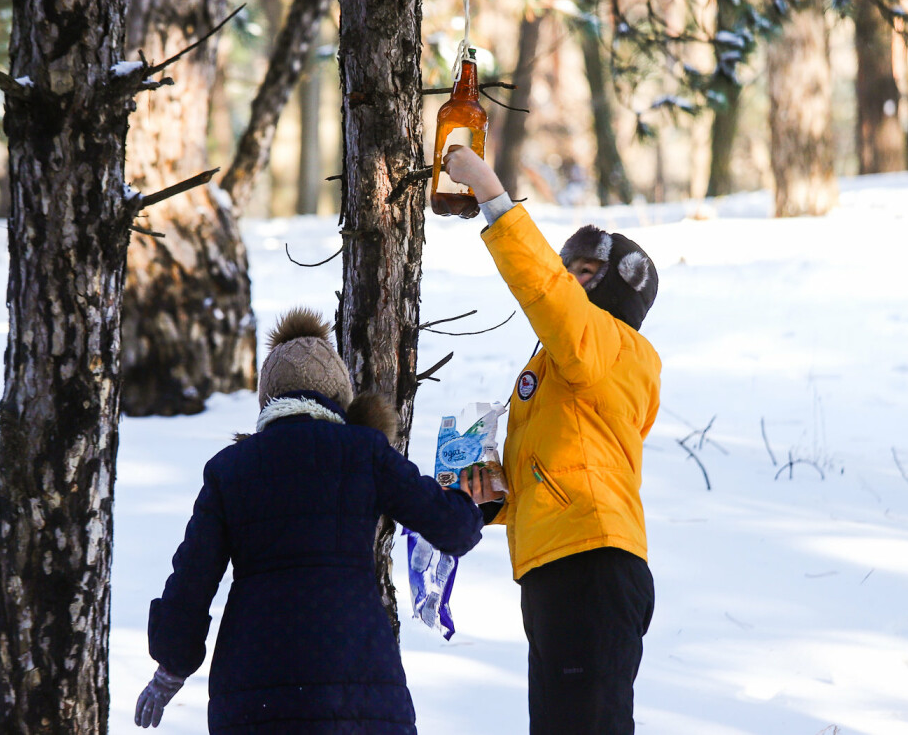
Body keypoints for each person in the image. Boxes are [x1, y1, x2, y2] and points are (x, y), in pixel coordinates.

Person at [134, 308, 483, 734]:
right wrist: (471, 498)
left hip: (253, 689)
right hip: (357, 683)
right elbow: (454, 530)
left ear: (268, 398)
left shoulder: (230, 469)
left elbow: (192, 579)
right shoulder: (365, 452)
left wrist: (172, 666)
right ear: (339, 395)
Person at [443, 146, 661, 735]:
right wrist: (489, 495)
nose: (567, 277)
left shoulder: (612, 345)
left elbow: (547, 293)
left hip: (590, 561)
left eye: (585, 271)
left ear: (620, 286)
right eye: (567, 266)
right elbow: (557, 468)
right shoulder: (571, 366)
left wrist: (493, 196)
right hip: (558, 566)